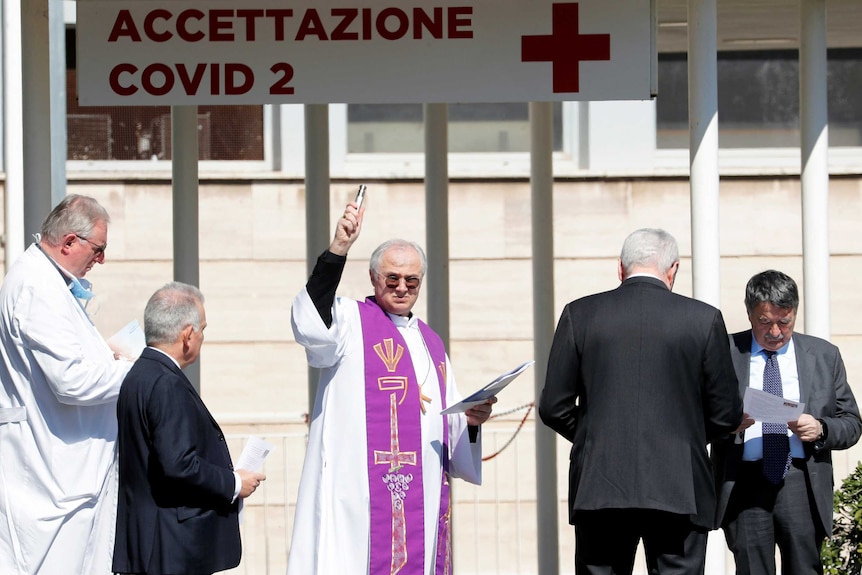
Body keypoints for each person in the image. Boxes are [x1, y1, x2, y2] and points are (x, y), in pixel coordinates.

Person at [286, 199, 495, 574]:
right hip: (360, 497)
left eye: (411, 281)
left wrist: (474, 420)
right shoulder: (350, 320)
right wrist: (338, 250)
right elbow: (311, 325)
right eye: (392, 279)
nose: (402, 288)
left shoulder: (431, 342)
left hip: (422, 492)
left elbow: (450, 421)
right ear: (373, 279)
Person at [539, 228, 743, 575]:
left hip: (601, 482)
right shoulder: (704, 319)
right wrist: (686, 439)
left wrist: (597, 438)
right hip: (680, 484)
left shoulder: (580, 314)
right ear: (673, 269)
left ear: (620, 268)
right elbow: (726, 414)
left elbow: (553, 407)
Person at [0, 194, 134, 574]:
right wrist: (138, 371)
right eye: (99, 248)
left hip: (68, 475)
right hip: (51, 479)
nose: (102, 259)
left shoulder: (49, 282)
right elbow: (71, 380)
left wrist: (108, 357)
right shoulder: (37, 288)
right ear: (69, 241)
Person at [711, 270, 861, 575]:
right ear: (749, 313)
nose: (776, 332)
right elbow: (696, 415)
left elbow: (852, 423)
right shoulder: (724, 352)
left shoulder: (823, 355)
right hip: (745, 481)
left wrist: (821, 429)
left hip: (800, 480)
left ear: (795, 312)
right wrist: (727, 423)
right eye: (765, 322)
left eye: (785, 322)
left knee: (805, 568)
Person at [112, 282, 266, 575]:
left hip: (149, 539)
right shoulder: (165, 382)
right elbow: (178, 464)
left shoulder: (140, 374)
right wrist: (234, 483)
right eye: (203, 330)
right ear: (187, 335)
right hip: (171, 545)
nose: (202, 338)